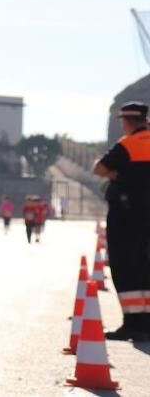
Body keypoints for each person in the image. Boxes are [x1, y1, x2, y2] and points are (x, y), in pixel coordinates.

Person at [94, 101, 150, 342]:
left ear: (127, 122)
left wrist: (115, 174)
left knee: (125, 266)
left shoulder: (128, 145)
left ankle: (133, 324)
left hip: (127, 217)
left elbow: (99, 168)